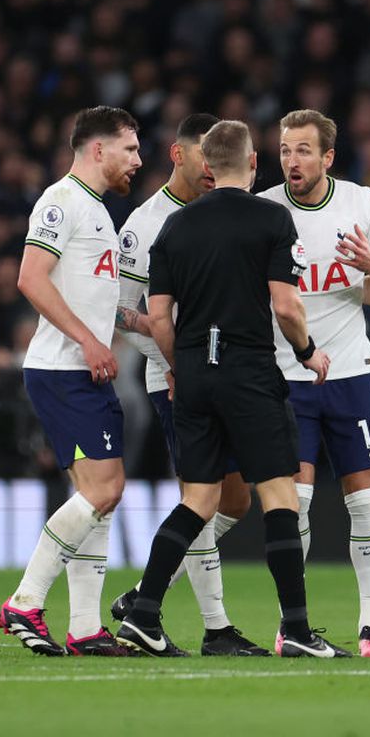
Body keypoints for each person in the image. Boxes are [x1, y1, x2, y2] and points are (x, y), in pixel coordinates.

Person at [116, 119, 347, 658]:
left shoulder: (174, 226)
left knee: (197, 501)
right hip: (248, 370)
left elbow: (158, 317)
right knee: (279, 496)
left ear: (206, 167)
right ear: (253, 164)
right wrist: (309, 352)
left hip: (193, 374)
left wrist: (182, 366)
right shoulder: (271, 217)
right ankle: (295, 629)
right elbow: (286, 305)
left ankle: (144, 615)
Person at [259, 109, 370, 657]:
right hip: (286, 377)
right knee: (295, 504)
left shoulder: (361, 204)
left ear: (328, 157)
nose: (291, 161)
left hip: (350, 375)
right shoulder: (265, 210)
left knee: (368, 505)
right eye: (284, 150)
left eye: (303, 150)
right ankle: (292, 624)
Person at [108, 112, 268, 656]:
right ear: (179, 156)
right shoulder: (145, 224)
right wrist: (169, 352)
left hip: (229, 373)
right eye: (203, 157)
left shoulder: (233, 208)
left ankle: (144, 594)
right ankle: (216, 628)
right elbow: (120, 311)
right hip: (174, 379)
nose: (212, 168)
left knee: (235, 500)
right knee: (200, 498)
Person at [0, 106, 142, 657]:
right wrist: (86, 338)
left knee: (97, 497)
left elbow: (95, 296)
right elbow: (29, 278)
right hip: (64, 369)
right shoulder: (60, 202)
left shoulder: (98, 211)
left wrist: (137, 324)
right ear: (97, 149)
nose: (138, 159)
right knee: (106, 490)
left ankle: (84, 628)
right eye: (129, 149)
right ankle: (25, 601)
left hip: (85, 367)